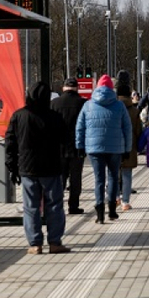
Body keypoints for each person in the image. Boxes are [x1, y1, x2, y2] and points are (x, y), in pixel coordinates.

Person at [5, 81, 71, 255]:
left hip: (28, 168)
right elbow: (65, 141)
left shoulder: (19, 116)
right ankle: (55, 242)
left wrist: (12, 166)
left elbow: (10, 143)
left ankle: (35, 244)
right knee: (55, 205)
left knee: (31, 207)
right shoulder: (55, 117)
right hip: (51, 168)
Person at [76, 75, 132, 223]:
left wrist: (80, 146)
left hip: (94, 148)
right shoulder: (119, 105)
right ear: (111, 89)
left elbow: (80, 127)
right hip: (115, 148)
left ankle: (100, 212)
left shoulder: (88, 105)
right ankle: (112, 210)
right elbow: (127, 128)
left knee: (99, 179)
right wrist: (127, 148)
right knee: (113, 177)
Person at [50, 78, 87, 215]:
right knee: (76, 178)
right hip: (78, 147)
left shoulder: (54, 103)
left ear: (63, 87)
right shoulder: (83, 103)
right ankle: (73, 206)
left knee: (60, 178)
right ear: (77, 88)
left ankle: (57, 205)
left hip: (58, 148)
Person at [116, 83, 142, 211]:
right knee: (127, 173)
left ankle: (115, 197)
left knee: (113, 172)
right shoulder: (134, 111)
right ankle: (125, 202)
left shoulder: (112, 108)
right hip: (129, 145)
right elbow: (138, 131)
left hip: (113, 144)